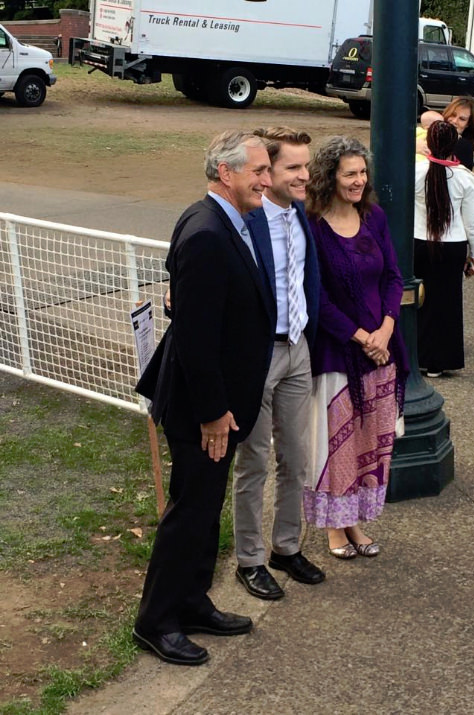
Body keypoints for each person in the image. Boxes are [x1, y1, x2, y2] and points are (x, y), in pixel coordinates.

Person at [133, 130, 273, 666]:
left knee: (206, 508)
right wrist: (214, 413)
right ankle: (156, 620)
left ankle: (191, 601)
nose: (267, 179)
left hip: (226, 403)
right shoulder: (207, 231)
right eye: (258, 170)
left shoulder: (231, 221)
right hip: (202, 409)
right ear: (225, 172)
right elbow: (194, 337)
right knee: (189, 511)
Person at [303, 136, 408, 560]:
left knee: (369, 444)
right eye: (350, 173)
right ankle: (333, 527)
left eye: (363, 172)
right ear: (330, 177)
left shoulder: (375, 218)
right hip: (337, 353)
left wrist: (384, 330)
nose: (359, 180)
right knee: (338, 444)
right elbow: (317, 296)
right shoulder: (312, 225)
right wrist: (361, 337)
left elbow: (393, 278)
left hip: (382, 351)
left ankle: (356, 522)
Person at [233, 126, 325, 600]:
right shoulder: (245, 221)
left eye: (306, 165)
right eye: (294, 167)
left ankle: (285, 548)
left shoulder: (302, 214)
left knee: (297, 459)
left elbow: (310, 279)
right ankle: (248, 559)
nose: (305, 175)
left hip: (297, 351)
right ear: (267, 173)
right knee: (255, 461)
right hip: (257, 355)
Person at [414, 121, 474, 378]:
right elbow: (471, 222)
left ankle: (414, 352)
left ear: (428, 143)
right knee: (446, 303)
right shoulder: (466, 178)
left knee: (417, 299)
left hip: (418, 241)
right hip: (452, 245)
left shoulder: (416, 171)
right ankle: (438, 361)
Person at [443, 96, 474, 170]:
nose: (454, 121)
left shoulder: (464, 146)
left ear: (468, 124)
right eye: (453, 115)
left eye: (462, 119)